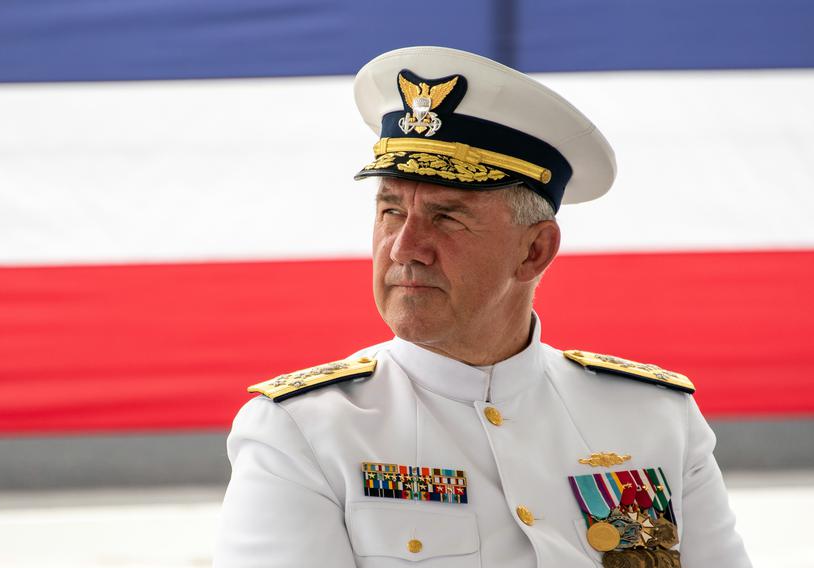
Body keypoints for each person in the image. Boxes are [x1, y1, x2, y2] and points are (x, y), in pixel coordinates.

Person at [213, 46, 751, 568]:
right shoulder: (303, 431)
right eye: (391, 210)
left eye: (447, 217)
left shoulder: (654, 416)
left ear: (534, 250)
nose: (405, 248)